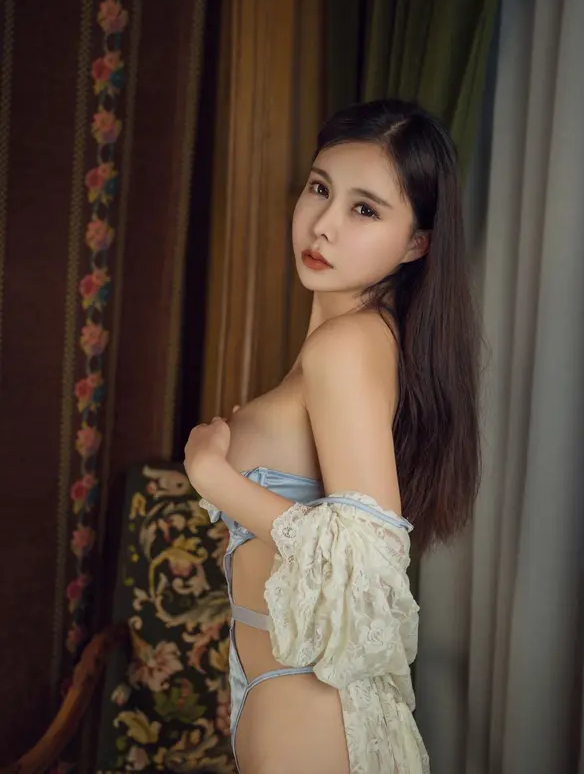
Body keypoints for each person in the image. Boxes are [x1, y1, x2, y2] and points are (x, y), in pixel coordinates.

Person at [184, 99, 481, 774]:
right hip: (287, 700)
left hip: (310, 707)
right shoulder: (355, 342)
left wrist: (212, 476)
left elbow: (369, 559)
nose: (323, 224)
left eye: (365, 209)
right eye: (320, 188)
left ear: (417, 243)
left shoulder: (346, 347)